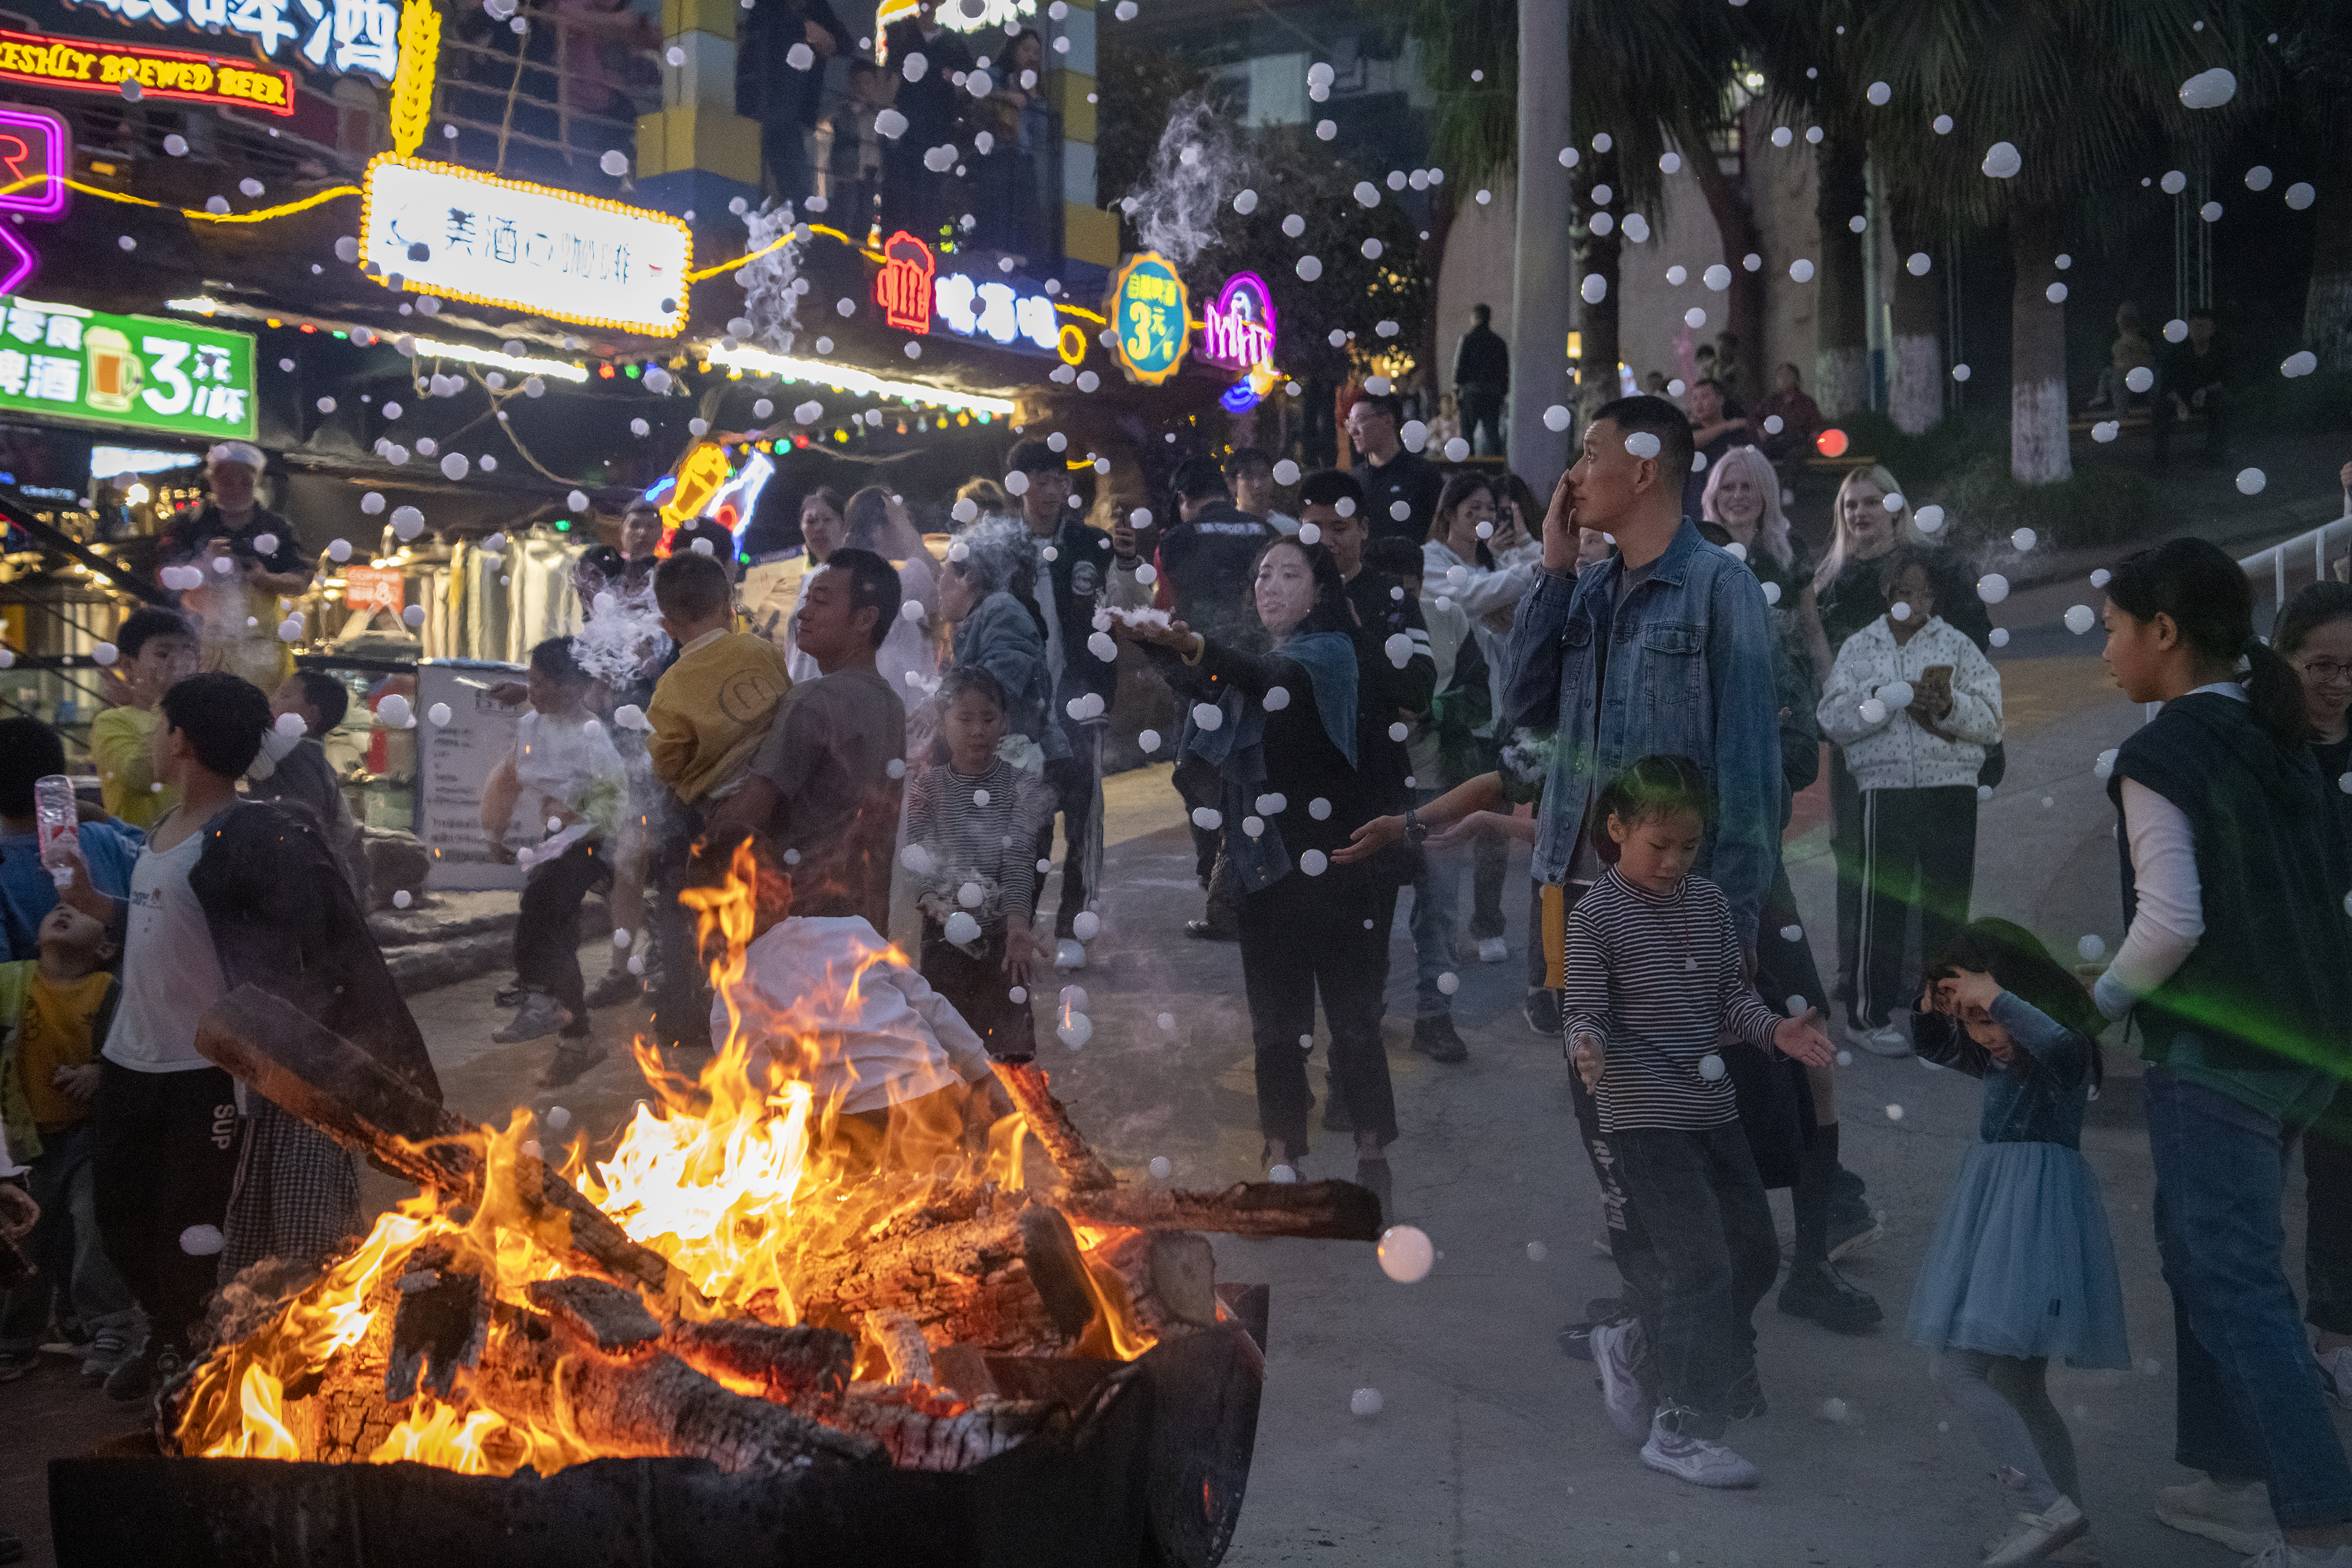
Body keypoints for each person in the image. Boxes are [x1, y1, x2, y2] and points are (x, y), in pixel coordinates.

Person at [1497, 394, 1785, 1417]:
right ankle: (1656, 1318)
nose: (1574, 473)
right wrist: (1555, 564)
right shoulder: (1589, 588)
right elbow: (1518, 706)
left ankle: (1691, 1353)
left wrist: (1734, 930)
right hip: (1578, 905)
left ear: (1647, 468)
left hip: (1674, 915)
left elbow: (1751, 777)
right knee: (1611, 1126)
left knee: (1680, 1130)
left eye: (1589, 452)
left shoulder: (1718, 591)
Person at [55, 672, 434, 1401]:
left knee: (193, 1223)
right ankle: (168, 1332)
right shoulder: (163, 831)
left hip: (205, 1074)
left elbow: (296, 953)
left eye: (162, 726)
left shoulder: (246, 838)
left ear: (183, 741)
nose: (155, 740)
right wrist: (91, 904)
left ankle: (197, 1353)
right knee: (121, 1212)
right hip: (131, 1061)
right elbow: (162, 927)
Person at [2094, 538, 2352, 1566]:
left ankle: (2317, 1520)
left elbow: (2171, 925)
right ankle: (2229, 1478)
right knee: (2200, 1257)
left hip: (2219, 1055)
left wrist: (2099, 1004)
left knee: (2236, 1281)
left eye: (2115, 630)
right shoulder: (2271, 728)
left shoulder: (2161, 757)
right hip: (2301, 1041)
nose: (2108, 652)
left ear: (2165, 634)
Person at [1562, 756, 1836, 1491]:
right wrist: (1587, 1046)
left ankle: (1634, 1343)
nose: (1674, 862)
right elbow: (1582, 1008)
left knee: (1753, 1256)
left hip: (1712, 1108)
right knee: (1699, 1266)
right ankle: (1681, 1427)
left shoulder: (1708, 905)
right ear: (1617, 829)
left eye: (1689, 847)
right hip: (1641, 1114)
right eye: (1660, 846)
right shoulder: (1595, 915)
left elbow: (1729, 1006)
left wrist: (1776, 1032)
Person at [1122, 538, 1393, 1189]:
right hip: (1264, 865)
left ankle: (1372, 1152)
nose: (1270, 585)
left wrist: (1193, 648)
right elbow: (1208, 684)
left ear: (1320, 592)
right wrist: (1155, 643)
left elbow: (1267, 686)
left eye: (1289, 574)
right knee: (1276, 1024)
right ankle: (1281, 1155)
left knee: (1353, 1025)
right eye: (1263, 575)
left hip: (1337, 864)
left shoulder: (1328, 655)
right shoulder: (1262, 657)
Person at [1903, 919, 2129, 1568]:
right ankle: (2068, 1516)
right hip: (2007, 1221)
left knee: (1957, 1370)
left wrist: (1994, 998)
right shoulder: (2006, 1050)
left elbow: (2055, 1041)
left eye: (1991, 1019)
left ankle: (2042, 1506)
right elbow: (1942, 1051)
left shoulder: (2062, 1052)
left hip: (2028, 1226)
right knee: (2021, 1389)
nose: (1985, 1037)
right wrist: (1937, 1007)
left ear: (2020, 999)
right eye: (1974, 1022)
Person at [1810, 464, 1993, 1035]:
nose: (1859, 513)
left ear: (1896, 506)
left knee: (1936, 867)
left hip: (1933, 742)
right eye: (1849, 505)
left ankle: (1928, 984)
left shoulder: (1936, 569)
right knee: (1859, 858)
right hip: (1864, 741)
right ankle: (1864, 975)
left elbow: (1974, 646)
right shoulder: (1831, 581)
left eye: (1870, 502)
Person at [715, 841, 1008, 1173]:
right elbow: (929, 1005)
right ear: (785, 887)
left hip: (845, 1132)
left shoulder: (732, 995)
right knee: (949, 1185)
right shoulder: (853, 929)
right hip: (933, 1100)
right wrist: (983, 1076)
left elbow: (759, 1094)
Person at [1311, 473, 1441, 1064]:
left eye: (1339, 528)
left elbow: (1418, 689)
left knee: (1367, 940)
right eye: (1313, 527)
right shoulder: (1284, 593)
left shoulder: (1391, 600)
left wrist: (1355, 634)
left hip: (1374, 796)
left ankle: (1352, 1076)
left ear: (1364, 530)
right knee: (1312, 940)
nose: (1326, 540)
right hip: (1299, 796)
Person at [712, 549, 908, 933]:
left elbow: (745, 816)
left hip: (800, 916)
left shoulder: (813, 700)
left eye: (820, 602)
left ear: (865, 620)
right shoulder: (891, 704)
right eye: (805, 601)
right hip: (862, 920)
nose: (803, 613)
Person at [644, 550, 793, 1052]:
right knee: (775, 916)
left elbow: (667, 759)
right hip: (782, 807)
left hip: (720, 822)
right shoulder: (762, 652)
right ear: (729, 604)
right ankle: (782, 1013)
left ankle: (726, 1012)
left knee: (718, 917)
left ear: (668, 624)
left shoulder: (671, 687)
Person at [1131, 455, 1273, 940]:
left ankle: (1217, 886)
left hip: (1203, 678)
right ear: (1226, 489)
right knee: (1256, 781)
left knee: (1201, 776)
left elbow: (1162, 610)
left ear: (1184, 500)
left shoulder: (1175, 541)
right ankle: (1260, 886)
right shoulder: (1264, 531)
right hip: (1263, 677)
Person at [0, 900, 136, 1384]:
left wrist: (100, 1073)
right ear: (36, 937)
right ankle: (16, 1340)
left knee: (91, 1226)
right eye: (56, 908)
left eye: (79, 912)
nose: (62, 909)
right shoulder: (10, 981)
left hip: (86, 1137)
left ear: (105, 947)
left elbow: (128, 1050)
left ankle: (115, 1329)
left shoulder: (109, 992)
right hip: (24, 1143)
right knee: (24, 1237)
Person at [2274, 580, 2352, 1409]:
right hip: (2280, 998)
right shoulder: (2265, 752)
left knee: (2343, 1169)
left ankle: (2336, 1330)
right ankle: (2265, 1334)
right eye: (2320, 664)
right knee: (2258, 1173)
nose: (2336, 684)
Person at [480, 639, 627, 1078]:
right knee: (555, 932)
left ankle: (541, 995)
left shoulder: (593, 737)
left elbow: (613, 802)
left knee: (541, 909)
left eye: (542, 683)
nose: (532, 691)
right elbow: (508, 779)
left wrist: (574, 814)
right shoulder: (533, 726)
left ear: (572, 686)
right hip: (559, 836)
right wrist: (494, 831)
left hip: (593, 839)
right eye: (530, 681)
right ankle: (576, 1038)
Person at [904, 667, 1054, 1061]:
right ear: (942, 725)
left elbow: (1020, 856)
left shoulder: (1020, 786)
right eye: (965, 720)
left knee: (1008, 1051)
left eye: (988, 719)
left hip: (1001, 937)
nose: (978, 731)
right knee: (948, 1048)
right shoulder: (928, 786)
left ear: (1003, 723)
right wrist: (927, 896)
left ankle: (1013, 1115)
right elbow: (919, 849)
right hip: (943, 936)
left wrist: (1018, 924)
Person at [1006, 440, 1116, 961]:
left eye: (1059, 481)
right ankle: (1019, 929)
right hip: (1024, 710)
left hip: (1083, 706)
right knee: (1028, 825)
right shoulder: (1002, 547)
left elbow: (1117, 619)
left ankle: (1074, 929)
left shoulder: (1094, 546)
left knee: (1084, 824)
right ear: (1019, 485)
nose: (1051, 490)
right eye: (1040, 479)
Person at [157, 443, 312, 694]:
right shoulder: (189, 525)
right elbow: (163, 578)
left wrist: (265, 578)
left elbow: (301, 581)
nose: (236, 488)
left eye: (245, 481)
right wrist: (203, 565)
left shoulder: (277, 527)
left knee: (260, 707)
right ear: (213, 481)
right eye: (227, 480)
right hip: (201, 640)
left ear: (257, 482)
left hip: (262, 645)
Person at [0, 719, 139, 963]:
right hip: (122, 992)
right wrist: (99, 816)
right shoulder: (103, 837)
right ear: (57, 776)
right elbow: (157, 857)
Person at [939, 516, 1058, 765]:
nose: (939, 582)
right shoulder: (983, 617)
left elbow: (995, 686)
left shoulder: (1001, 608)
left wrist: (938, 706)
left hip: (1011, 767)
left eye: (944, 569)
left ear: (968, 576)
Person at [253, 672, 367, 902]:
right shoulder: (316, 760)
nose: (272, 700)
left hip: (296, 882)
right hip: (320, 881)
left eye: (284, 695)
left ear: (310, 716)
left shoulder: (285, 753)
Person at [88, 607, 197, 831]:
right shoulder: (113, 721)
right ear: (129, 665)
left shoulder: (199, 716)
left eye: (187, 653)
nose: (177, 664)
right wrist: (167, 700)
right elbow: (140, 779)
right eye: (164, 655)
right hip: (138, 848)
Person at [879, 0, 974, 244]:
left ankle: (920, 251)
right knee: (900, 191)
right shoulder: (902, 31)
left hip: (935, 128)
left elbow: (969, 91)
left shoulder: (952, 43)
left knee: (927, 195)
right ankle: (899, 249)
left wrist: (958, 84)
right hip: (906, 127)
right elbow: (889, 78)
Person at [735, 0, 844, 211]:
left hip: (792, 112)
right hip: (763, 105)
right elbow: (767, 29)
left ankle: (793, 233)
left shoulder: (818, 8)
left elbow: (846, 43)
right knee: (765, 180)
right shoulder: (769, 7)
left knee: (794, 184)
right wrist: (806, 31)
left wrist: (826, 38)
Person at [1345, 391, 1445, 544]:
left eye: (1360, 420)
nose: (1353, 431)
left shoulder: (1422, 474)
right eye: (1350, 422)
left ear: (1388, 420)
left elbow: (1439, 531)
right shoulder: (1354, 479)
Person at [2154, 307, 2230, 470]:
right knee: (2160, 407)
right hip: (2179, 396)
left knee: (2223, 402)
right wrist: (2179, 402)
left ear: (2212, 330)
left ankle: (2213, 455)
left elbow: (2225, 379)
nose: (2197, 331)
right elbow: (2167, 383)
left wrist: (2206, 391)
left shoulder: (2219, 352)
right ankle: (2160, 461)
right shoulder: (2176, 353)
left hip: (2205, 396)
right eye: (2194, 327)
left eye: (2203, 327)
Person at [1681, 379, 1750, 522]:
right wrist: (1726, 426)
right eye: (1695, 399)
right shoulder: (1691, 431)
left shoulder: (1738, 433)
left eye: (1705, 397)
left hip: (1731, 509)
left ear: (1721, 400)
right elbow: (1688, 442)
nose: (1699, 403)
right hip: (1695, 510)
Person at [1452, 303, 1510, 457]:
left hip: (1471, 392)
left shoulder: (1468, 340)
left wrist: (1458, 390)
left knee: (1467, 433)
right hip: (1493, 393)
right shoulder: (1499, 343)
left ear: (1475, 317)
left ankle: (1468, 468)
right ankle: (1495, 470)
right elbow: (1504, 370)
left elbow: (1460, 368)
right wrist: (1502, 392)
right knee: (1492, 432)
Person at [2090, 302, 2154, 413]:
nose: (2125, 321)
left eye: (2129, 318)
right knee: (2113, 379)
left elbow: (2151, 353)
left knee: (2157, 374)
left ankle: (2156, 406)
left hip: (2143, 371)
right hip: (2121, 372)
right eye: (2122, 317)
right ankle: (2119, 412)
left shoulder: (2144, 335)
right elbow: (2109, 357)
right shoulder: (2113, 337)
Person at [1753, 363, 1823, 465]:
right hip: (1774, 443)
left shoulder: (1806, 402)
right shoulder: (1771, 401)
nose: (1784, 379)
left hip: (1798, 444)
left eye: (1788, 375)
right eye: (1780, 376)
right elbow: (1757, 420)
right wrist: (1763, 433)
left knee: (1795, 457)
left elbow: (1815, 427)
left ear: (1796, 379)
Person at [1227, 447, 1298, 535]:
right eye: (1249, 477)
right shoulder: (1227, 528)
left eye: (1264, 476)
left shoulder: (1289, 528)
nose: (1258, 485)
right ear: (1232, 483)